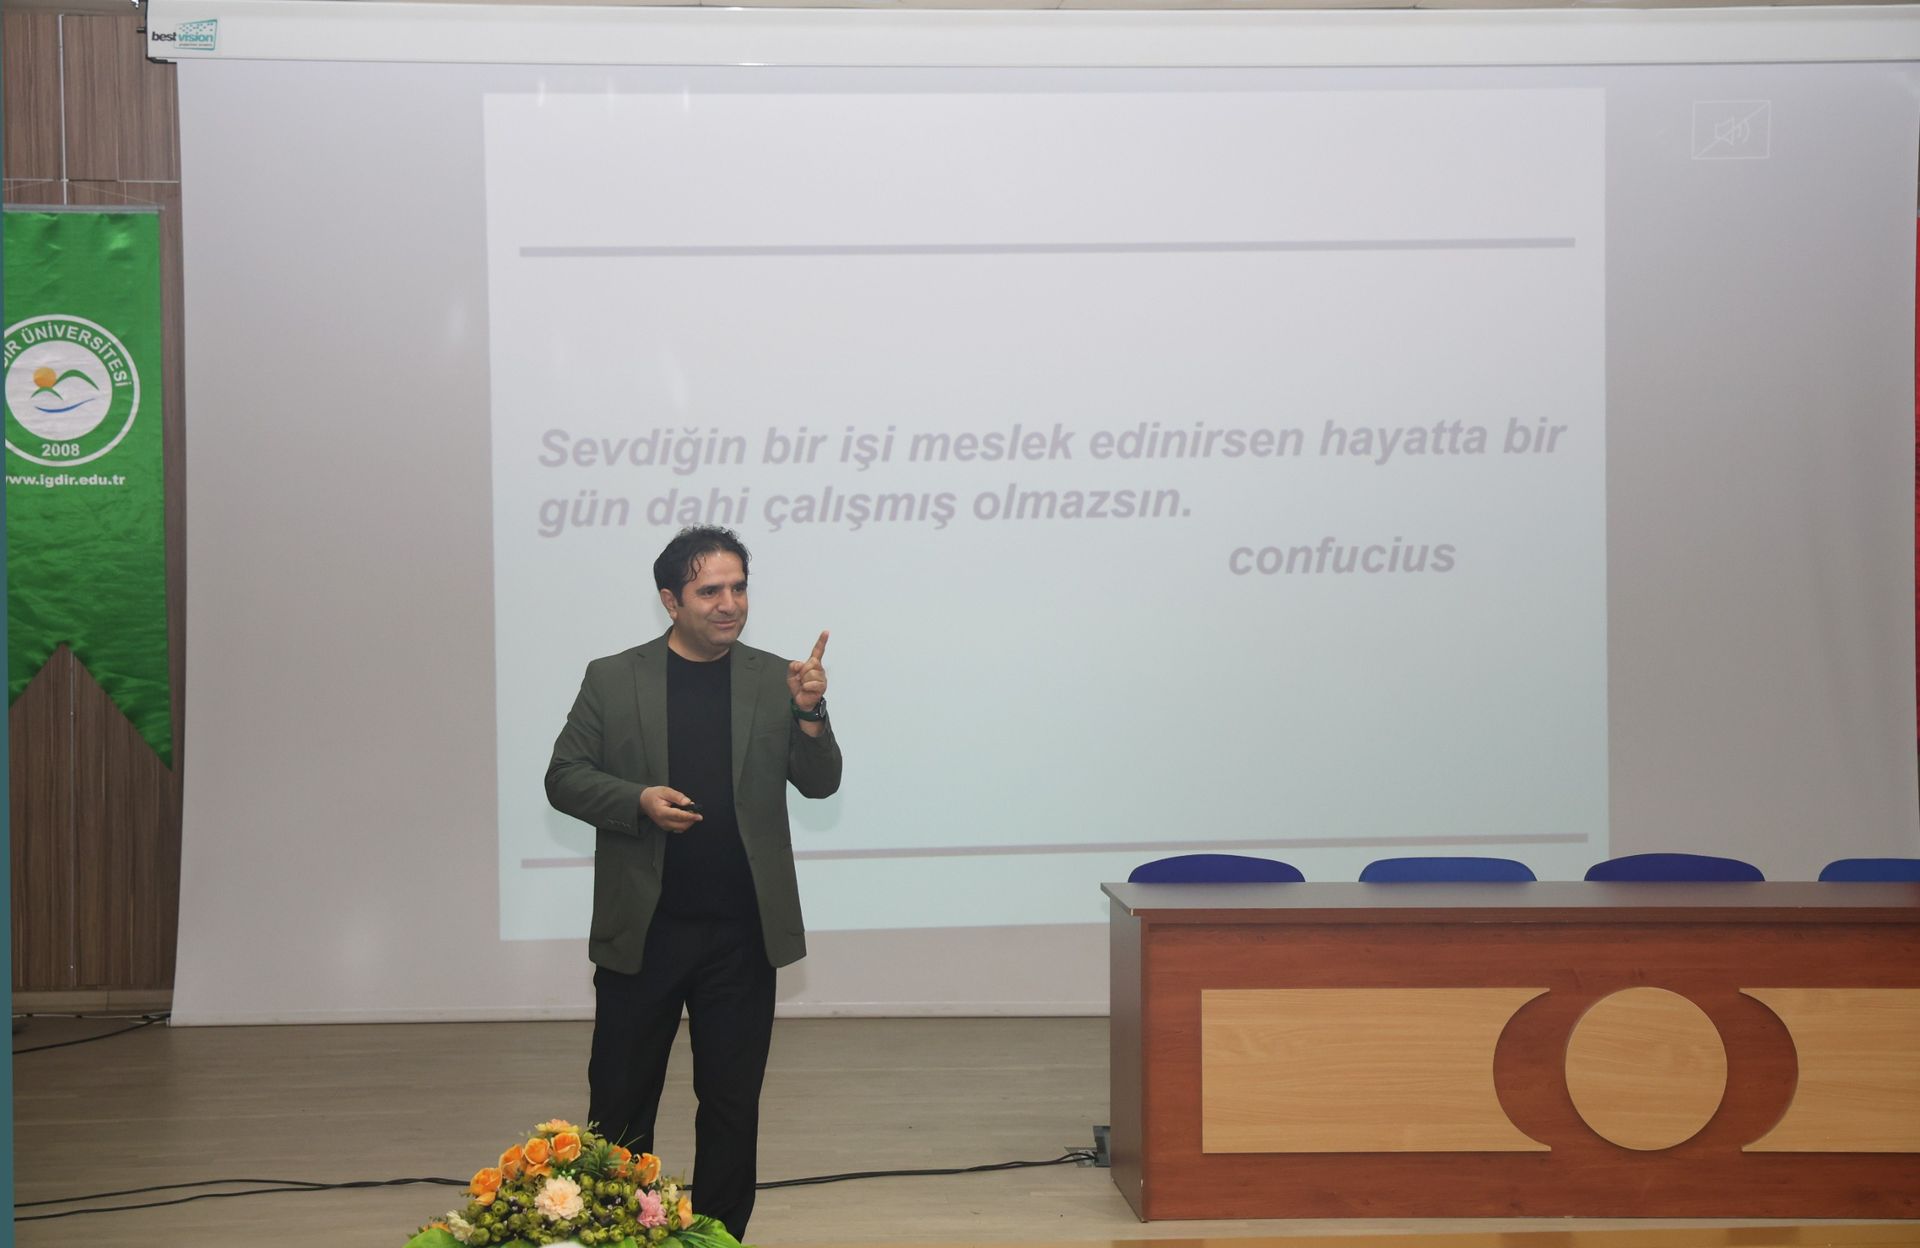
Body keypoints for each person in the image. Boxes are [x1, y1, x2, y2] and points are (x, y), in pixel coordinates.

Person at [545, 525, 841, 1239]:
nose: (729, 603)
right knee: (621, 1106)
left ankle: (717, 1236)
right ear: (671, 600)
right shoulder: (613, 678)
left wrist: (809, 713)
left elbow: (820, 783)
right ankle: (621, 1233)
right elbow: (564, 777)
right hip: (645, 932)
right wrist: (637, 800)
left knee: (732, 1105)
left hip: (741, 935)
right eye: (710, 590)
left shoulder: (776, 678)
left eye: (739, 587)